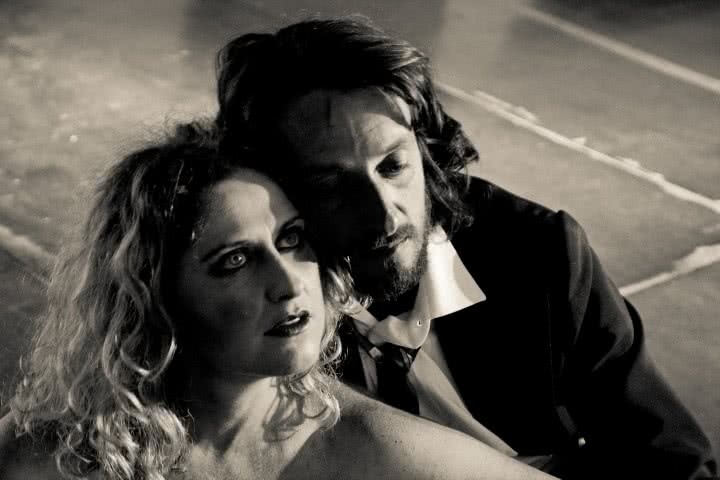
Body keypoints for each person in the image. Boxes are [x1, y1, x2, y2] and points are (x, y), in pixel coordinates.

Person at [214, 16, 718, 480]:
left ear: (426, 151)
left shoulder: (539, 252)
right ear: (271, 192)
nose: (385, 215)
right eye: (332, 184)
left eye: (393, 166)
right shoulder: (261, 306)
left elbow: (674, 460)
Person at [0, 121, 556, 479]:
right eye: (235, 261)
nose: (289, 283)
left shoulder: (375, 449)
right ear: (155, 294)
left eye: (292, 240)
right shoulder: (51, 455)